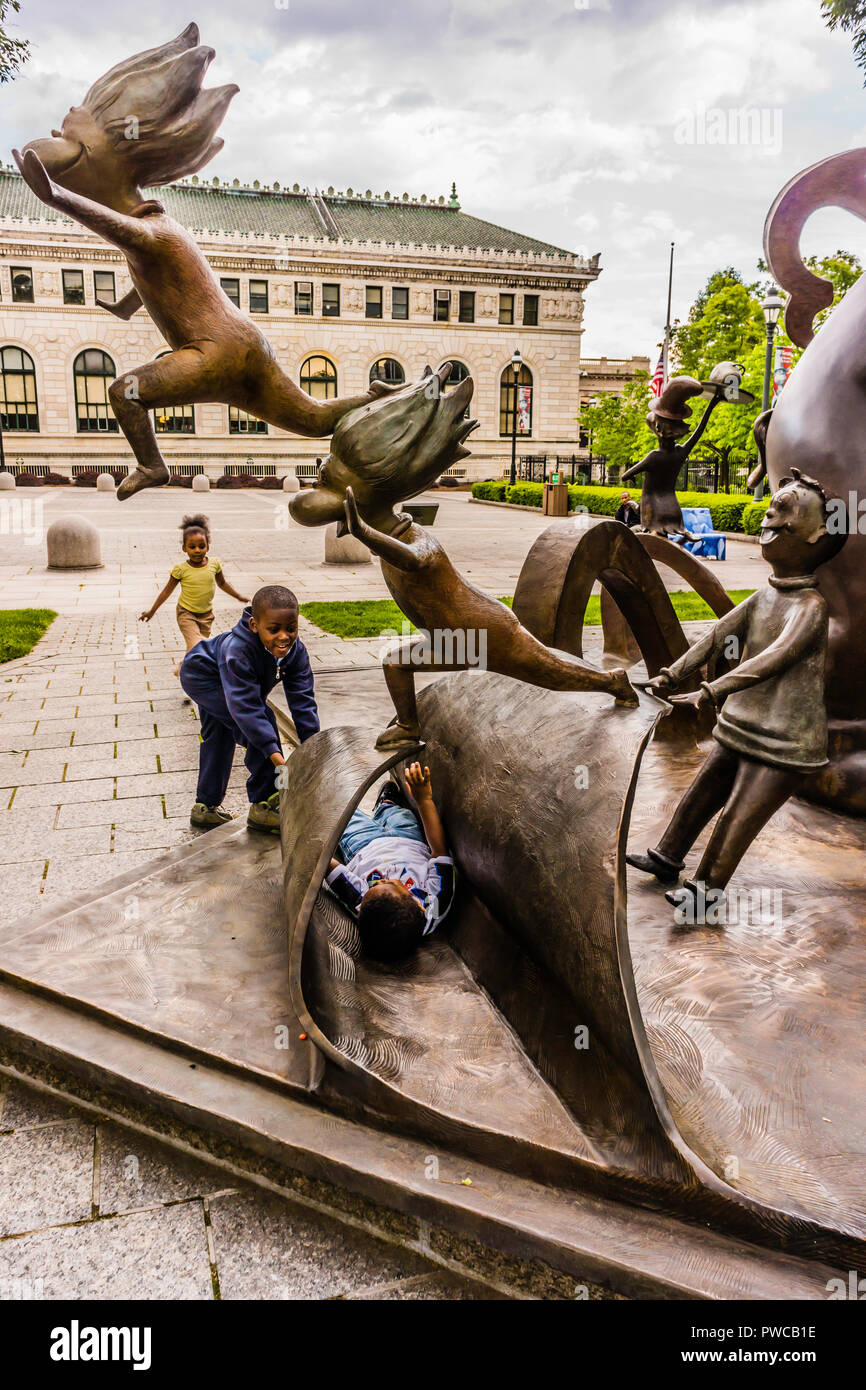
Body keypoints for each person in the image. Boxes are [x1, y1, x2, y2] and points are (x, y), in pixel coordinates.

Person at [626, 469, 847, 918]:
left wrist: (708, 692)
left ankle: (704, 892)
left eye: (786, 511)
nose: (771, 514)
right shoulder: (767, 596)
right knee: (702, 793)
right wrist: (672, 673)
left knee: (737, 816)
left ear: (816, 536)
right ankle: (667, 858)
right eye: (774, 507)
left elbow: (773, 659)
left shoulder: (810, 607)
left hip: (783, 743)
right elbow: (717, 634)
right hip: (743, 723)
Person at [179, 584, 319, 833]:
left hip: (226, 682)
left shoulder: (295, 653)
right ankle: (264, 804)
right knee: (259, 719)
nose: (284, 637)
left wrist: (313, 750)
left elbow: (303, 702)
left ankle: (205, 807)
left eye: (291, 629)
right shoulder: (239, 650)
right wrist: (277, 760)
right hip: (202, 676)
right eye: (273, 630)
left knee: (220, 735)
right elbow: (247, 709)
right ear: (254, 626)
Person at [326, 762, 456, 962]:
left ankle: (376, 807)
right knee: (399, 814)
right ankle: (387, 805)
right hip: (408, 837)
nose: (382, 879)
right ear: (419, 906)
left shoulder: (367, 908)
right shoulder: (435, 903)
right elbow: (439, 850)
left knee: (340, 811)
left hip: (363, 845)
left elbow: (329, 867)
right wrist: (424, 800)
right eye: (389, 883)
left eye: (374, 885)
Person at [139, 514, 249, 682]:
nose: (197, 550)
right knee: (197, 646)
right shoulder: (180, 570)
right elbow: (166, 592)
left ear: (208, 546)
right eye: (192, 547)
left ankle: (182, 668)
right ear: (184, 548)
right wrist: (152, 611)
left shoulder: (214, 564)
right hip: (186, 614)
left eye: (201, 546)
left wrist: (238, 596)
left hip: (206, 616)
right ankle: (191, 681)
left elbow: (222, 583)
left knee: (196, 648)